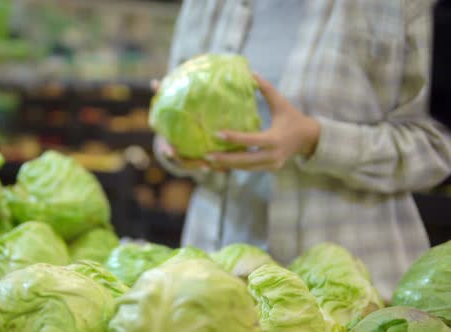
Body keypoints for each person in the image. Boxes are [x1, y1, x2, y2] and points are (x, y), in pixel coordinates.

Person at [153, 0, 451, 298]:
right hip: (216, 282)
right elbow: (165, 135)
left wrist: (317, 141)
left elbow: (439, 146)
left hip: (349, 294)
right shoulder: (204, 5)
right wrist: (176, 144)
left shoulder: (403, 7)